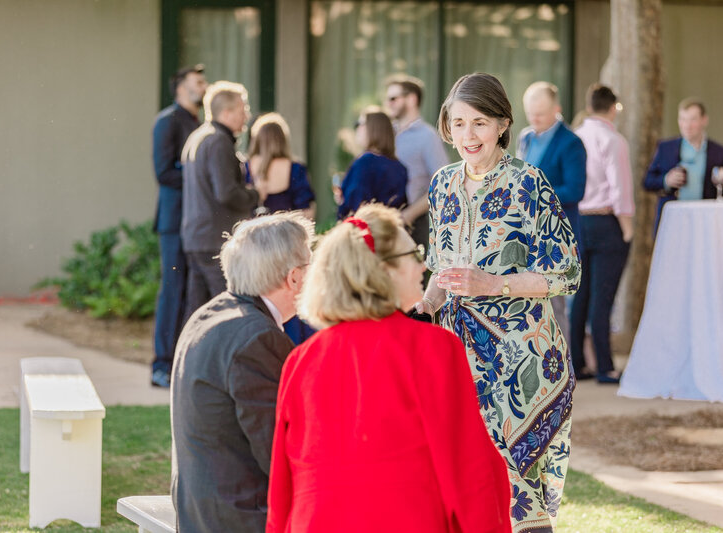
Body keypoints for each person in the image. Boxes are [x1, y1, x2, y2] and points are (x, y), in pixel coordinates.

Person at [266, 203, 511, 533]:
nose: (423, 265)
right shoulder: (433, 348)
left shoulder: (301, 361)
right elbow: (471, 474)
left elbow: (283, 490)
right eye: (413, 254)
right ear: (384, 271)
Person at [419, 73, 580, 531]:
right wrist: (425, 304)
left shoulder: (529, 184)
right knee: (463, 479)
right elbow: (440, 266)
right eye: (459, 124)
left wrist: (492, 283)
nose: (468, 136)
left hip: (522, 357)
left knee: (519, 488)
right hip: (457, 354)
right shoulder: (442, 184)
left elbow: (567, 272)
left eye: (480, 123)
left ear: (504, 124)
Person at [171, 212, 313, 533]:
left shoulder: (208, 314)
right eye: (311, 264)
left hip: (201, 510)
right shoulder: (258, 338)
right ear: (293, 277)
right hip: (241, 518)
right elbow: (279, 455)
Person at [570, 84, 634, 384]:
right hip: (606, 221)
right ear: (612, 107)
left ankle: (579, 363)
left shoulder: (576, 137)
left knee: (580, 296)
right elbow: (619, 187)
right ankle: (606, 367)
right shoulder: (613, 139)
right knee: (603, 297)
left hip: (578, 222)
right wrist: (627, 228)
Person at [180, 81, 258, 320]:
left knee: (198, 313)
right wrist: (257, 194)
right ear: (226, 112)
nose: (247, 114)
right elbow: (226, 193)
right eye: (242, 108)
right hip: (215, 239)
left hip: (196, 237)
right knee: (227, 311)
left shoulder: (198, 137)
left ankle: (189, 357)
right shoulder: (218, 141)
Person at [149, 64, 207, 388]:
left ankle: (183, 364)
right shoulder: (167, 122)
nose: (204, 86)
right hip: (173, 222)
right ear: (182, 88)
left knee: (191, 293)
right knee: (172, 291)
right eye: (198, 82)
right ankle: (160, 366)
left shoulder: (199, 123)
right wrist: (198, 175)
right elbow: (162, 172)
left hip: (197, 222)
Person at [517, 81, 586, 338]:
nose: (535, 118)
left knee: (556, 308)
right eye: (531, 113)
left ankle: (564, 369)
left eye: (541, 113)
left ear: (556, 109)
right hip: (526, 236)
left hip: (557, 235)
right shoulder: (525, 137)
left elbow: (575, 190)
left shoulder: (571, 143)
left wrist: (534, 196)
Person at [245, 112, 317, 344]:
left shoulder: (246, 168)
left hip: (256, 245)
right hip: (287, 243)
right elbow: (307, 211)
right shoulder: (295, 169)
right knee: (291, 295)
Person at [643, 98, 723, 233]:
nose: (687, 125)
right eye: (682, 119)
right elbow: (648, 181)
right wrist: (666, 180)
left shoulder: (720, 152)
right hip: (672, 222)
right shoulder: (666, 147)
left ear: (704, 120)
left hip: (706, 223)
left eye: (693, 120)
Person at [385, 75, 450, 249]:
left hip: (412, 224)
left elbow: (442, 183)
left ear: (412, 99)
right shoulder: (386, 134)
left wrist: (408, 215)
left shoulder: (428, 137)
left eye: (393, 98)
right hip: (384, 222)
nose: (388, 103)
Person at [336, 108, 408, 219]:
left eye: (359, 124)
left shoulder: (365, 162)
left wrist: (343, 200)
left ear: (374, 128)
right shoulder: (400, 167)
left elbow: (354, 206)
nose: (357, 128)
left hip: (364, 232)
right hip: (390, 231)